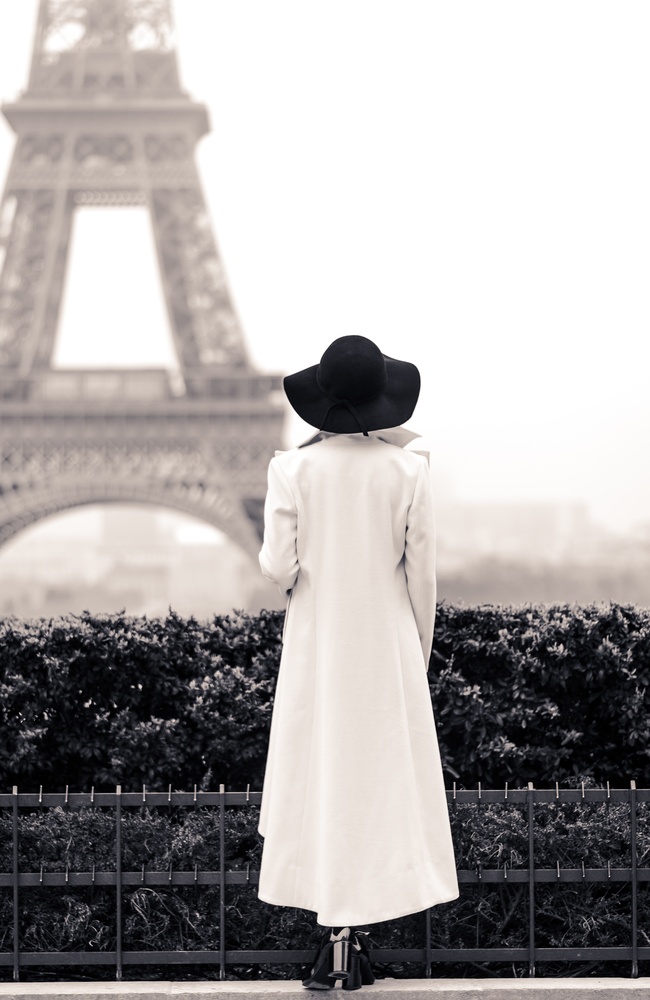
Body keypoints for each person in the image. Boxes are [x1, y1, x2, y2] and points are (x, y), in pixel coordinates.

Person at [256, 335, 459, 990]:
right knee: (373, 794)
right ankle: (355, 936)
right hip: (386, 648)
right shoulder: (408, 471)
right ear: (381, 398)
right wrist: (413, 654)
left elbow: (277, 569)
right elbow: (421, 580)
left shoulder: (292, 470)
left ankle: (334, 939)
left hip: (318, 650)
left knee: (322, 788)